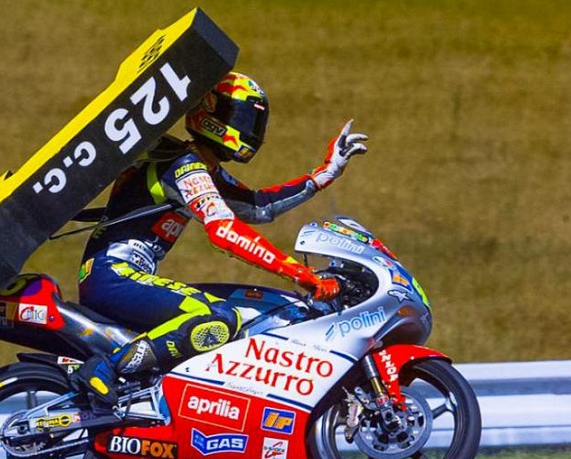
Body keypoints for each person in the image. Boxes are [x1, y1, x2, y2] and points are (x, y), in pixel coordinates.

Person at [74, 71, 368, 408]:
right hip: (114, 276)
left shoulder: (199, 166)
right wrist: (300, 274)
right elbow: (225, 231)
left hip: (118, 277)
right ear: (209, 113)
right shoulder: (184, 166)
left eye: (255, 122)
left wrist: (325, 173)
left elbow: (258, 206)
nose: (250, 131)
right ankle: (106, 368)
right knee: (219, 317)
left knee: (238, 311)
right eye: (241, 118)